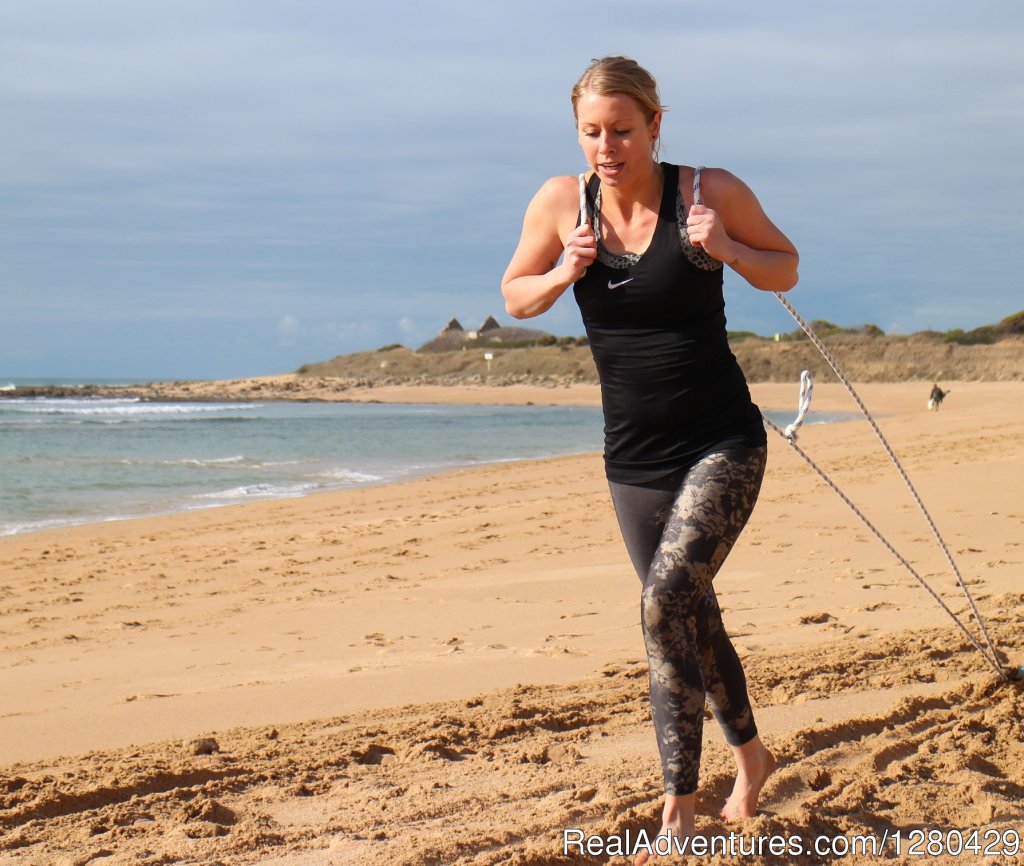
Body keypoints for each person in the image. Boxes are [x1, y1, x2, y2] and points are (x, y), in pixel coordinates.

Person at [501, 56, 799, 861]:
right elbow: (514, 295)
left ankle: (679, 807)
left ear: (656, 126)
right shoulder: (564, 202)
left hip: (721, 442)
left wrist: (728, 247)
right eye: (591, 132)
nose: (607, 146)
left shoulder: (709, 192)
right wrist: (567, 266)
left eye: (622, 131)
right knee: (689, 615)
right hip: (632, 459)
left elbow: (787, 266)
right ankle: (752, 760)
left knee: (663, 602)